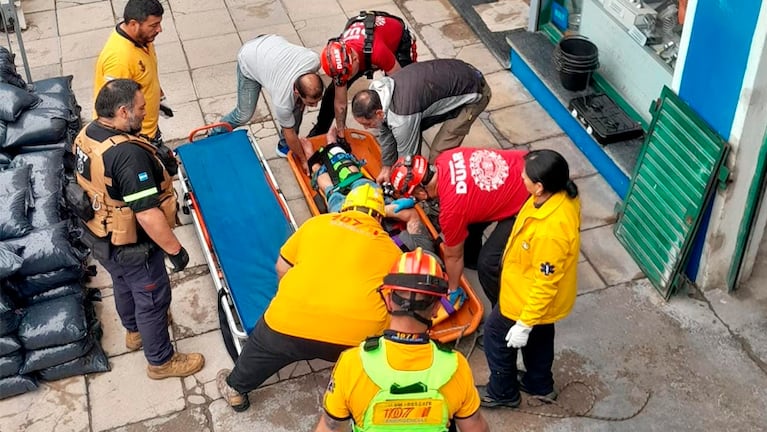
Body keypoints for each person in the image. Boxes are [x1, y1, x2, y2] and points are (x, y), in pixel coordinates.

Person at [216, 184, 402, 412]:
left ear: (345, 208)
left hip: (287, 324)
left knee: (261, 347)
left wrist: (290, 296)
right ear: (380, 218)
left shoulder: (317, 223)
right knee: (370, 350)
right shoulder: (392, 250)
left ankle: (236, 389)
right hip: (352, 340)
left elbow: (281, 267)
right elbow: (397, 301)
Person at [72, 79, 203, 379]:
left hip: (99, 237)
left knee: (123, 283)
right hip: (131, 245)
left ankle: (134, 332)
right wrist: (175, 250)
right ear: (122, 111)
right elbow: (145, 213)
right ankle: (161, 361)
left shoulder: (88, 134)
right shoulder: (127, 156)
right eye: (141, 108)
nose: (145, 113)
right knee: (153, 298)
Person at [315, 248, 490, 432]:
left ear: (389, 300)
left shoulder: (352, 365)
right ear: (436, 308)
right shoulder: (456, 367)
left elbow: (330, 427)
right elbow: (476, 429)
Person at [479, 149, 580, 408]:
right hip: (531, 296)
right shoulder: (556, 197)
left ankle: (503, 392)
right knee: (540, 337)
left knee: (494, 335)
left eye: (525, 177)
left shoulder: (551, 231)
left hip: (526, 299)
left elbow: (545, 283)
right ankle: (539, 385)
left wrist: (524, 323)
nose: (520, 179)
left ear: (539, 186)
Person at [389, 149, 529, 306]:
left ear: (421, 191)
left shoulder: (451, 212)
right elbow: (464, 189)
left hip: (529, 200)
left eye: (413, 195)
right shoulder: (445, 158)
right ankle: (471, 257)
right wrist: (415, 201)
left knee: (488, 263)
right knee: (471, 218)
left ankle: (506, 310)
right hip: (526, 163)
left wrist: (453, 287)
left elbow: (453, 256)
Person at [351, 59, 492, 183]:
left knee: (439, 155)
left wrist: (401, 185)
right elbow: (386, 132)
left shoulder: (402, 117)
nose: (367, 128)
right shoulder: (379, 92)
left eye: (367, 124)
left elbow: (408, 161)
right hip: (459, 71)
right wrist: (387, 167)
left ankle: (439, 193)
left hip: (475, 92)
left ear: (379, 113)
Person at [299, 134, 434, 254]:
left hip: (350, 223)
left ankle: (314, 161)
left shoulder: (375, 268)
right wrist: (373, 211)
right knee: (356, 179)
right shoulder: (424, 255)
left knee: (331, 191)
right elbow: (412, 215)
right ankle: (333, 147)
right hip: (378, 210)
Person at [210, 34, 324, 169]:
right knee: (243, 114)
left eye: (317, 101)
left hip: (269, 45)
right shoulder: (283, 100)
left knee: (296, 108)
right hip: (250, 58)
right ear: (297, 91)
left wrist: (303, 101)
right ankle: (214, 133)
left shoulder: (314, 60)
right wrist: (304, 160)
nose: (315, 106)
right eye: (311, 103)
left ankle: (284, 146)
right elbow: (290, 132)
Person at [309, 10, 417, 139]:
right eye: (342, 77)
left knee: (401, 91)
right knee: (333, 92)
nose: (345, 79)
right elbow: (340, 103)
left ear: (355, 58)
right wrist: (341, 130)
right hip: (366, 48)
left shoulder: (378, 51)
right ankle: (319, 130)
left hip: (397, 41)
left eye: (347, 75)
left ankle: (396, 128)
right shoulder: (342, 61)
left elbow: (401, 85)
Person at [93, 0, 171, 147]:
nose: (159, 29)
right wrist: (134, 145)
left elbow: (148, 74)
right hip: (138, 137)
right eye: (154, 25)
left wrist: (159, 98)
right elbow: (115, 112)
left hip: (149, 129)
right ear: (134, 24)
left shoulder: (143, 39)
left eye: (159, 23)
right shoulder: (119, 60)